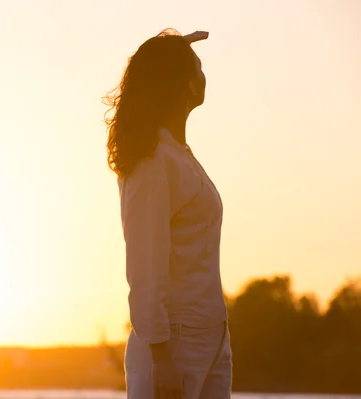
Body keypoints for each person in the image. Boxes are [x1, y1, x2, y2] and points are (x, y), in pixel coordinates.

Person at [104, 29, 232, 399]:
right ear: (179, 84)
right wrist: (161, 357)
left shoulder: (178, 154)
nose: (203, 77)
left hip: (212, 336)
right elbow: (144, 269)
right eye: (197, 69)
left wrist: (174, 51)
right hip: (175, 341)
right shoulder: (152, 162)